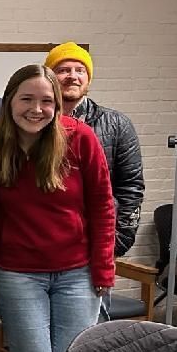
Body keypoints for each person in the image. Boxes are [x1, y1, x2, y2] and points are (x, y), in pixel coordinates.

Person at [0, 64, 115, 352]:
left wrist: (103, 269)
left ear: (57, 104)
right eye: (26, 99)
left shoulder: (80, 139)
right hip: (18, 273)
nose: (36, 109)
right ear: (10, 100)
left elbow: (103, 206)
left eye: (46, 101)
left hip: (77, 273)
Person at [44, 42, 144, 260]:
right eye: (63, 70)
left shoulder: (117, 124)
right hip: (44, 245)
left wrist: (116, 242)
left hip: (95, 245)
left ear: (88, 78)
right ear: (50, 77)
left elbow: (131, 187)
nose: (72, 76)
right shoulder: (34, 121)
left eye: (80, 70)